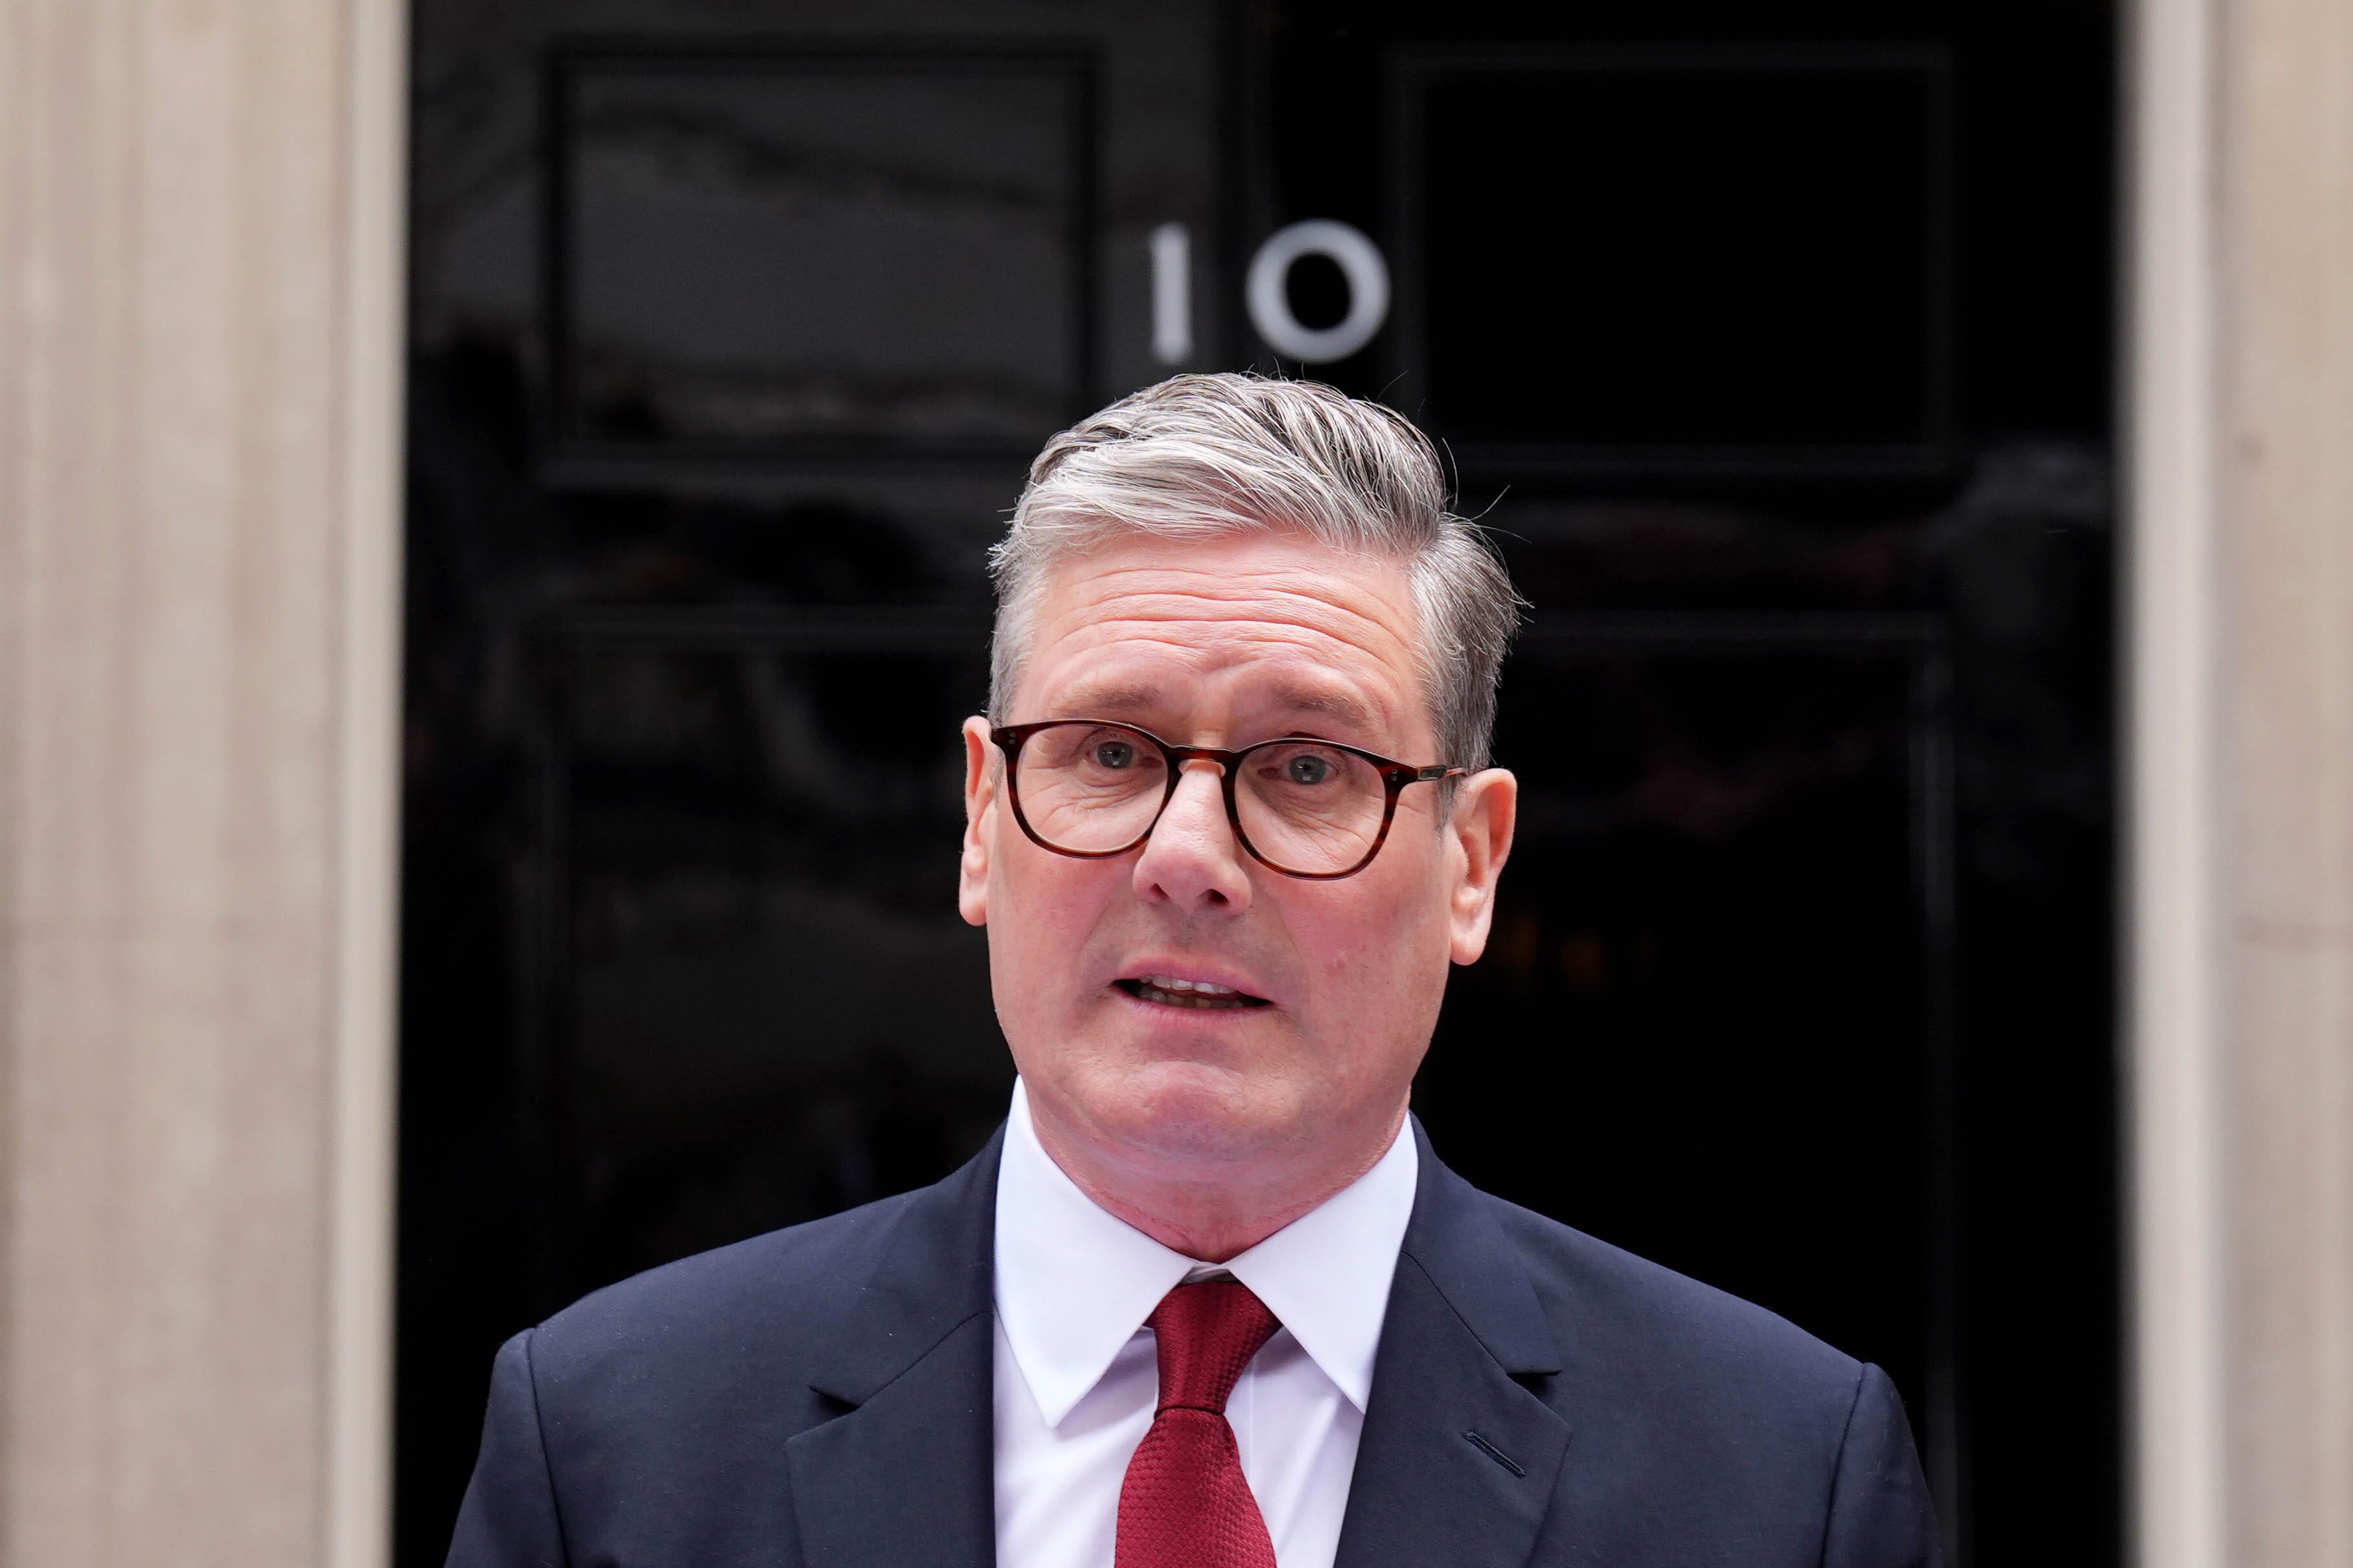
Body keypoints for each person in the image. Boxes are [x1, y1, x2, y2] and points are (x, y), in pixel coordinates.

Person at [445, 374, 1942, 1568]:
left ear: (1470, 862)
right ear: (982, 822)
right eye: (1107, 751)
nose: (1188, 854)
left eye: (1306, 764)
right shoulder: (612, 1447)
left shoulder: (1773, 1477)